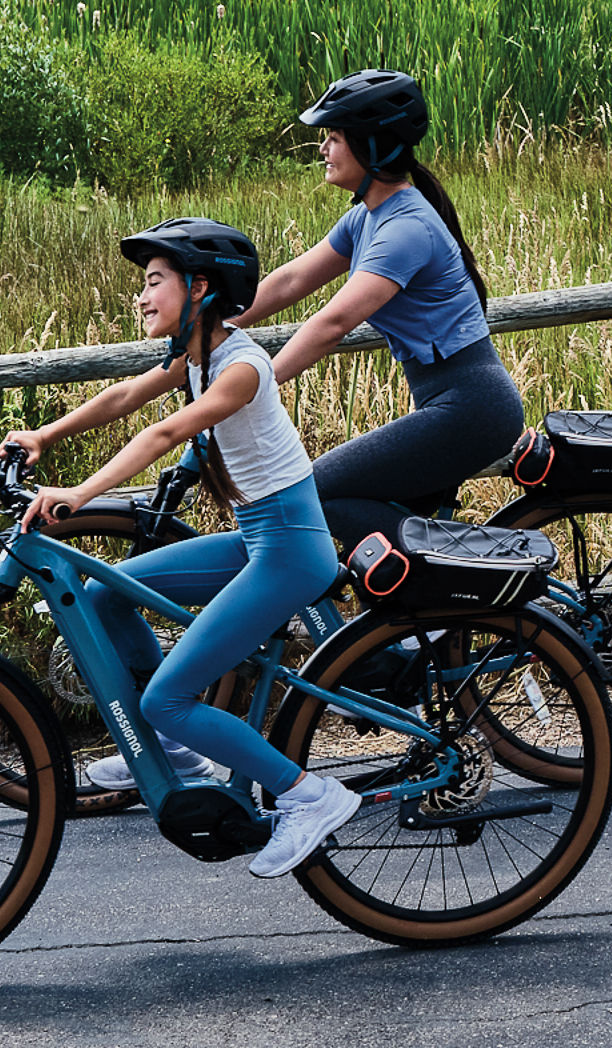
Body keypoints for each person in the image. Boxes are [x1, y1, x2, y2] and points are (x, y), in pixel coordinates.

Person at [0, 218, 364, 878]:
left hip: (290, 551)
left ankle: (310, 796)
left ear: (200, 287)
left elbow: (166, 432)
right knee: (106, 595)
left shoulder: (241, 368)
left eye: (153, 282)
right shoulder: (194, 357)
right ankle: (181, 754)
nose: (141, 297)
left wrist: (80, 492)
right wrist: (43, 435)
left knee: (165, 697)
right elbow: (126, 396)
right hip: (259, 538)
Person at [240, 68, 523, 548]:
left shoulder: (405, 229)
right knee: (361, 515)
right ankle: (425, 616)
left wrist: (254, 384)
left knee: (316, 495)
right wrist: (218, 320)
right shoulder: (367, 218)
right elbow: (291, 280)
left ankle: (471, 561)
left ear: (372, 145)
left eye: (333, 137)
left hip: (471, 411)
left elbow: (333, 323)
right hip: (449, 406)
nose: (324, 150)